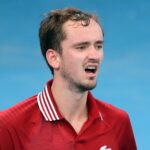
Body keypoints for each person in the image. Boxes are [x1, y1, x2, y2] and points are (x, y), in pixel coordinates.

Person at [0, 8, 137, 150]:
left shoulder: (118, 122)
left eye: (98, 46)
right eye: (81, 47)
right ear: (54, 58)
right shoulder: (9, 127)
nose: (94, 55)